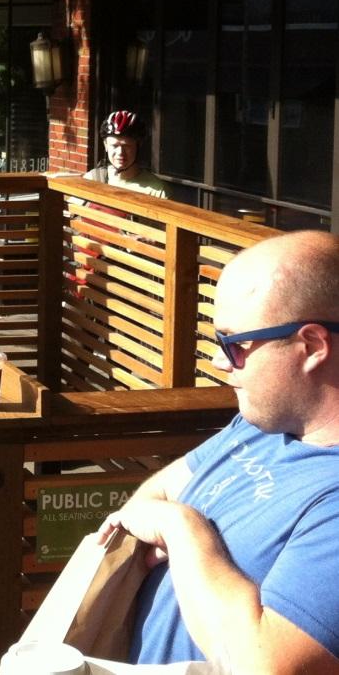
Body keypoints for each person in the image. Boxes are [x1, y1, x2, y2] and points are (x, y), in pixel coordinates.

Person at [99, 230, 339, 669]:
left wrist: (181, 527)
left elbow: (261, 664)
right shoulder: (266, 423)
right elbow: (153, 495)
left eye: (235, 343)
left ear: (312, 346)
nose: (219, 361)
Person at [82, 110, 168, 198]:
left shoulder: (157, 191)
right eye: (114, 146)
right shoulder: (92, 179)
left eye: (127, 146)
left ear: (138, 146)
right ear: (106, 145)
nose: (120, 152)